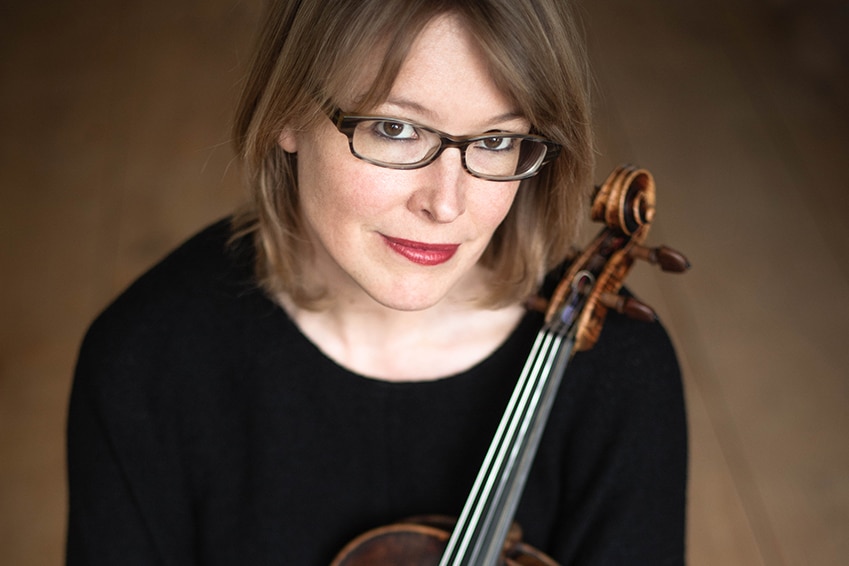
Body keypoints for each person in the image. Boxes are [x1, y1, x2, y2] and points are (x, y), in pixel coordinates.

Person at [67, 0, 687, 564]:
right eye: (397, 129)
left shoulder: (618, 369)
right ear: (288, 110)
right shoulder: (149, 356)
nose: (446, 205)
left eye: (497, 140)